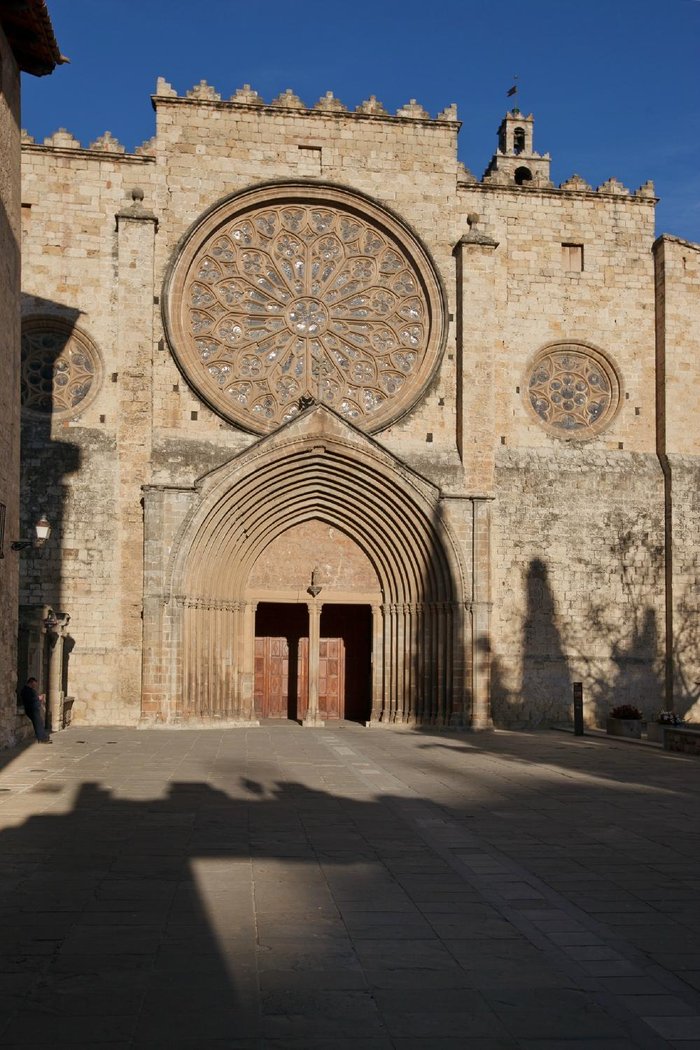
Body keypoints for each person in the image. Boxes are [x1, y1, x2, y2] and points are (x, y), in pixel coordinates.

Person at [20, 678, 51, 743]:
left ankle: (42, 737)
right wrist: (38, 698)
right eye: (34, 684)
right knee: (38, 723)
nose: (34, 686)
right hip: (31, 709)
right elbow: (29, 699)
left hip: (34, 709)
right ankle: (42, 738)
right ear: (30, 683)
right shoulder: (25, 690)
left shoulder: (30, 690)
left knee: (39, 722)